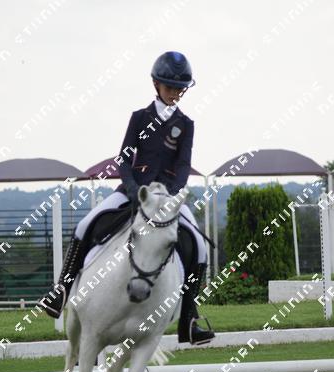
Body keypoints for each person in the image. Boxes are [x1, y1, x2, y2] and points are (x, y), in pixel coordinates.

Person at [39, 51, 214, 345]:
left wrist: (172, 194)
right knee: (85, 225)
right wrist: (133, 189)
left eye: (179, 89)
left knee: (199, 246)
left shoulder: (186, 124)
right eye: (170, 87)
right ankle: (61, 292)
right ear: (156, 85)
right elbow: (124, 158)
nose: (174, 94)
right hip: (133, 191)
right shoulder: (139, 118)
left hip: (166, 197)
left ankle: (189, 317)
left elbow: (183, 164)